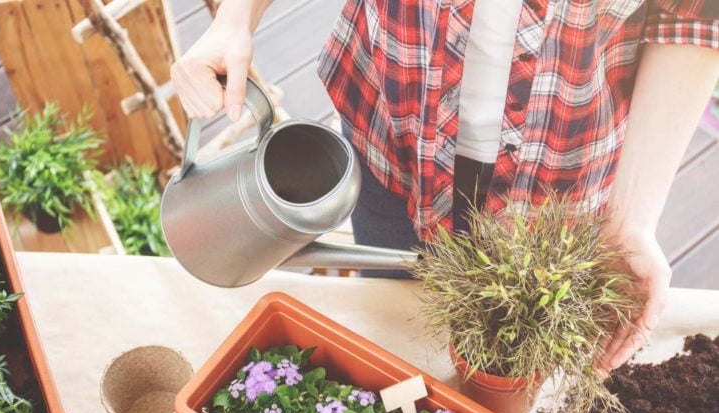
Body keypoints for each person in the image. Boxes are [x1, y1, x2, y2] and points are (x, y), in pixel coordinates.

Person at [169, 0, 719, 377]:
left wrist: (633, 221)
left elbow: (691, 19)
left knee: (514, 359)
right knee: (391, 332)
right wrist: (234, 20)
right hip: (396, 134)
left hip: (557, 182)